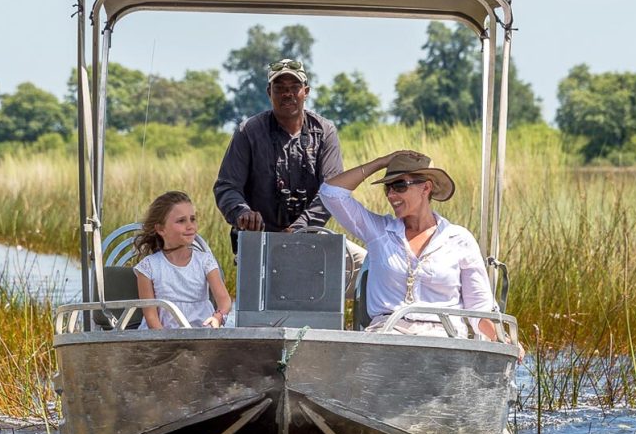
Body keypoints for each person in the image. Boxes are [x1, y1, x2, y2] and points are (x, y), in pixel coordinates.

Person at [319, 150, 510, 344]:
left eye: (399, 186)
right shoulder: (378, 231)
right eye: (388, 188)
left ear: (426, 188)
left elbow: (478, 308)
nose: (391, 195)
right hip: (387, 337)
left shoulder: (459, 239)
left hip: (444, 340)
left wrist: (504, 340)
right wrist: (381, 162)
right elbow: (331, 193)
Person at [213, 58, 345, 244]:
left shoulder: (325, 132)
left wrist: (300, 227)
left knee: (362, 261)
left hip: (311, 237)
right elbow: (226, 187)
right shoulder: (248, 131)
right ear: (269, 93)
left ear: (305, 92)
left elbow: (333, 190)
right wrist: (242, 212)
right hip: (257, 239)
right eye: (280, 88)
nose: (287, 94)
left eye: (294, 87)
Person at [133, 190, 231, 329]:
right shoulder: (148, 267)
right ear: (161, 229)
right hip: (160, 338)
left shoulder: (205, 261)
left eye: (192, 219)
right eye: (181, 221)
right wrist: (170, 344)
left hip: (201, 334)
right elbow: (151, 317)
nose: (190, 226)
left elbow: (224, 300)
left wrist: (218, 317)